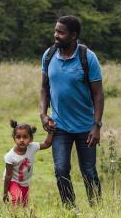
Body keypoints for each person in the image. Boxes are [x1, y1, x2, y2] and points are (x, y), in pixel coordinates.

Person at [40, 15, 104, 208]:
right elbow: (44, 87)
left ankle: (96, 208)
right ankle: (70, 208)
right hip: (59, 126)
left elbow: (98, 95)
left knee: (89, 171)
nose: (56, 35)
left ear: (73, 35)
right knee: (61, 169)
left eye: (61, 32)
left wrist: (97, 125)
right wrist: (43, 114)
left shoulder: (88, 58)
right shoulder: (49, 55)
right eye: (55, 31)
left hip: (86, 127)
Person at [3, 120, 53, 206]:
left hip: (25, 182)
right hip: (12, 181)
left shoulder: (32, 147)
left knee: (24, 204)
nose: (21, 140)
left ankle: (23, 217)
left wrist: (51, 131)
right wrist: (5, 192)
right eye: (18, 137)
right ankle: (14, 216)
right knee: (18, 197)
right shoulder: (10, 156)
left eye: (25, 137)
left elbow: (46, 144)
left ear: (31, 139)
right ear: (14, 138)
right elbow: (8, 175)